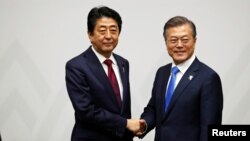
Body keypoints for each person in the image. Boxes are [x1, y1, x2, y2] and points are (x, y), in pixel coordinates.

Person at [138, 16, 223, 141]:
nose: (179, 45)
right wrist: (143, 125)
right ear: (166, 43)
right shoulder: (162, 72)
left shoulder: (209, 78)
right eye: (173, 40)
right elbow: (154, 109)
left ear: (194, 41)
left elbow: (209, 129)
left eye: (185, 40)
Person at [65, 6, 142, 141]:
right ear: (90, 34)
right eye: (102, 30)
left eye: (113, 30)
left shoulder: (123, 63)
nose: (108, 36)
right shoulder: (76, 66)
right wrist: (125, 124)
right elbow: (86, 111)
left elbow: (122, 108)